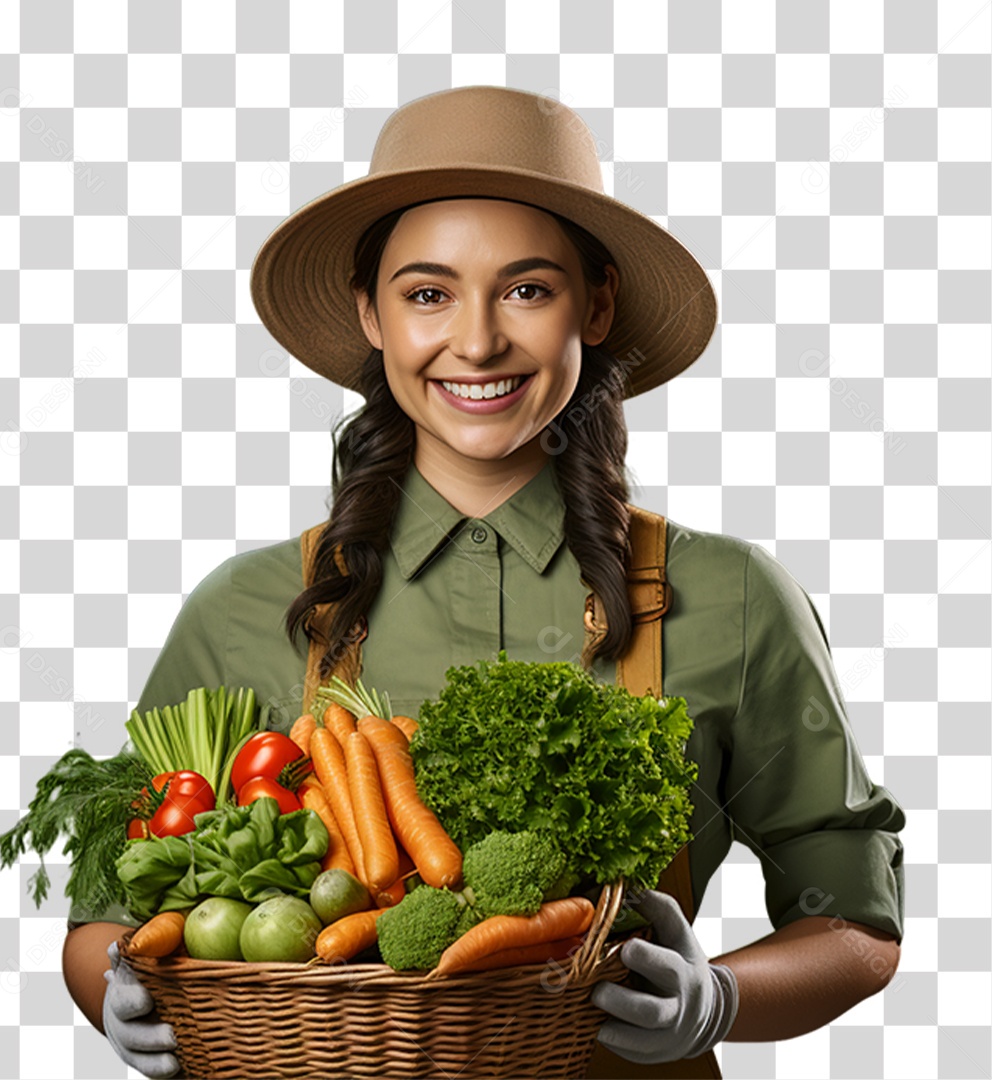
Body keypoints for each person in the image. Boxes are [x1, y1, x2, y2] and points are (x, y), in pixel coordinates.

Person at [61, 85, 905, 1079]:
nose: (476, 341)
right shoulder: (245, 609)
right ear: (371, 314)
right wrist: (112, 987)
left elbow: (854, 923)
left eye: (527, 289)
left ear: (594, 304)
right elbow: (106, 917)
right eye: (427, 293)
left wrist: (716, 999)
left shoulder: (728, 598)